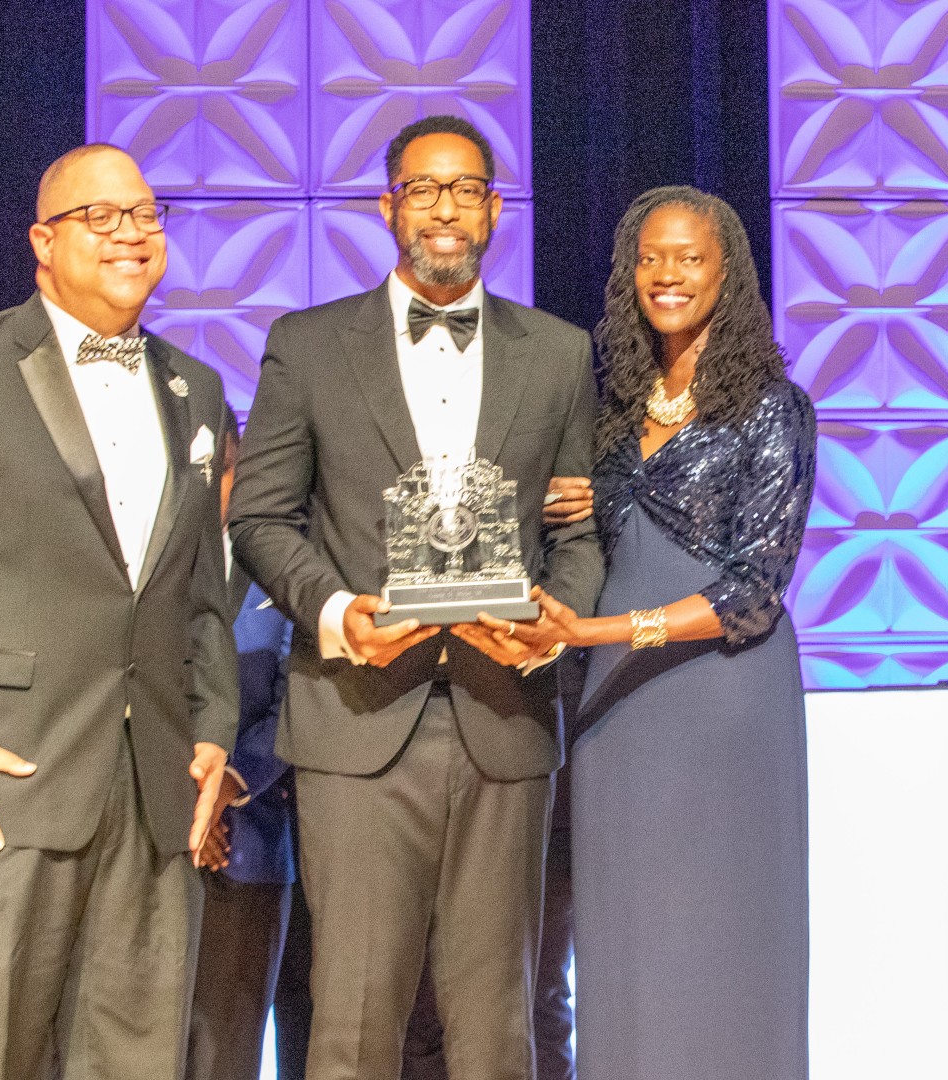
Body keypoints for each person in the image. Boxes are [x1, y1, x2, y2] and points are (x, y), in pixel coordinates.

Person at [228, 114, 603, 1080]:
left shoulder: (559, 352)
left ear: (495, 209)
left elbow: (576, 529)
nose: (446, 209)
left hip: (505, 715)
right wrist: (335, 612)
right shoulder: (308, 345)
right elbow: (260, 517)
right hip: (355, 715)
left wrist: (555, 625)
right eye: (425, 189)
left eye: (466, 189)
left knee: (500, 1027)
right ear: (388, 205)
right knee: (352, 1024)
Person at [0, 143, 238, 1080]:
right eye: (100, 216)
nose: (130, 234)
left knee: (139, 1055)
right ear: (43, 241)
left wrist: (213, 730)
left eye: (145, 215)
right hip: (4, 774)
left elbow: (201, 590)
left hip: (155, 779)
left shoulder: (196, 387)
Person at [492, 186, 816, 1080]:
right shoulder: (616, 412)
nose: (667, 274)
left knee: (724, 933)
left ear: (727, 272)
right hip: (616, 708)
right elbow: (618, 524)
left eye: (690, 257)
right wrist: (586, 498)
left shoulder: (774, 408)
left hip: (723, 701)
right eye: (650, 258)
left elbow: (754, 590)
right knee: (627, 938)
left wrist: (595, 629)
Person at [187, 423, 295, 1080]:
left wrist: (227, 783)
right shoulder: (145, 565)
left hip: (247, 847)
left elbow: (296, 703)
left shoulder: (282, 568)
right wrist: (182, 800)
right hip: (152, 846)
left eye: (217, 472)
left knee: (227, 1055)